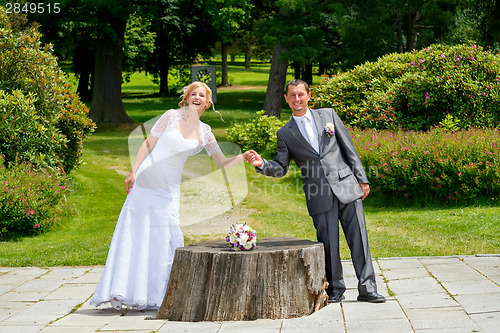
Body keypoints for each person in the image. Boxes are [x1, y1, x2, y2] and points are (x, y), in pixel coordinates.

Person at [90, 82, 245, 310]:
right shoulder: (171, 116)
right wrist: (133, 171)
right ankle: (121, 291)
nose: (197, 97)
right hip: (147, 180)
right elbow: (147, 143)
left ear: (207, 102)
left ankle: (156, 294)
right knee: (135, 230)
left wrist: (243, 157)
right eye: (193, 94)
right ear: (186, 98)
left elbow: (221, 161)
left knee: (165, 233)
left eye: (201, 95)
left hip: (169, 189)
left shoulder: (205, 132)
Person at [246, 79, 385, 304]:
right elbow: (280, 168)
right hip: (318, 194)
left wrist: (362, 179)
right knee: (329, 245)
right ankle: (336, 289)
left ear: (309, 95)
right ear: (286, 99)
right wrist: (261, 163)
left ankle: (368, 289)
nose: (297, 99)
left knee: (359, 239)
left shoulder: (328, 115)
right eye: (292, 95)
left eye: (301, 94)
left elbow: (349, 149)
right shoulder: (285, 133)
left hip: (346, 186)